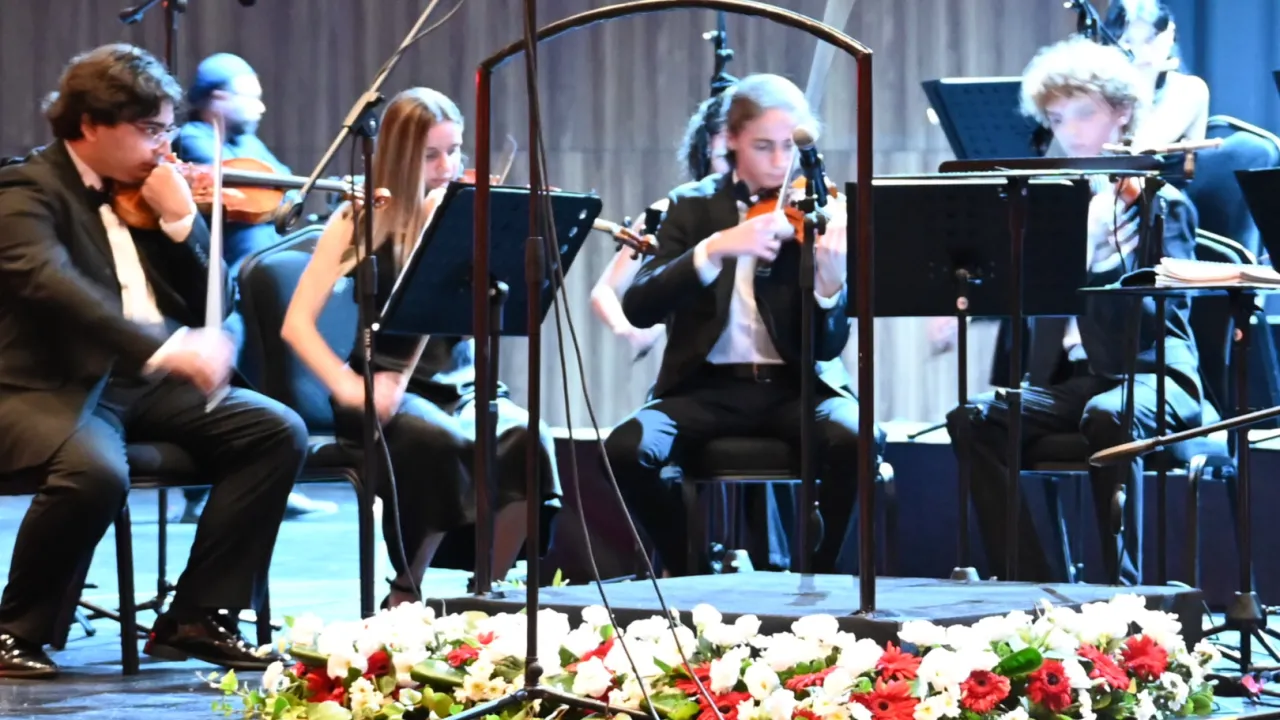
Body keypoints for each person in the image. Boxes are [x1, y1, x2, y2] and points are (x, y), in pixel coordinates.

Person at [0, 44, 307, 678]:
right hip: (52, 385)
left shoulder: (149, 189)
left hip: (143, 386)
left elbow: (214, 303)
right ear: (90, 125)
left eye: (168, 129)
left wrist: (181, 221)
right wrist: (166, 346)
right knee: (94, 473)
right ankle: (13, 629)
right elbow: (52, 286)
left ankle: (196, 618)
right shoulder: (24, 190)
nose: (165, 148)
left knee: (275, 431)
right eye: (150, 130)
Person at [944, 37, 1213, 584]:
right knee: (973, 420)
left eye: (1084, 113)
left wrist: (1125, 240)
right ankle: (1028, 582)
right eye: (1057, 118)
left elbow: (1170, 307)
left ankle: (1124, 592)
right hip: (1073, 382)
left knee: (1108, 414)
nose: (1071, 132)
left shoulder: (1163, 203)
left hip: (1154, 376)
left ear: (1123, 113)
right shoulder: (1054, 205)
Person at [281, 87, 560, 607]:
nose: (448, 167)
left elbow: (478, 320)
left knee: (529, 436)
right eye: (431, 155)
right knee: (436, 442)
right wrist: (346, 387)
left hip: (460, 382)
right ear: (399, 156)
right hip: (387, 384)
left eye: (454, 151)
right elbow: (296, 324)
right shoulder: (360, 219)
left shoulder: (464, 215)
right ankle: (406, 590)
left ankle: (487, 591)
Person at [604, 73, 869, 577]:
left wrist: (830, 287)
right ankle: (690, 572)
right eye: (763, 146)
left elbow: (827, 346)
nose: (779, 161)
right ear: (731, 140)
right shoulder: (690, 204)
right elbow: (639, 306)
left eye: (789, 147)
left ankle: (820, 575)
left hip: (797, 389)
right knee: (625, 450)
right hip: (704, 391)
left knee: (856, 439)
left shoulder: (815, 209)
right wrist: (715, 248)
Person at [173, 52, 337, 524]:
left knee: (273, 374)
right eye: (252, 96)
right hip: (225, 288)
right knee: (229, 372)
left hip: (261, 284)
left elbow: (286, 191)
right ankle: (204, 491)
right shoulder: (194, 138)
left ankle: (270, 482)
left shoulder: (248, 143)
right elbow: (250, 188)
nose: (262, 106)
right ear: (218, 98)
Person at [1104, 0, 1210, 148]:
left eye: (1151, 39)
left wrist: (1145, 78)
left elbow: (1143, 147)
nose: (1142, 51)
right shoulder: (1105, 93)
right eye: (1128, 41)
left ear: (1170, 34)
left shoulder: (1189, 89)